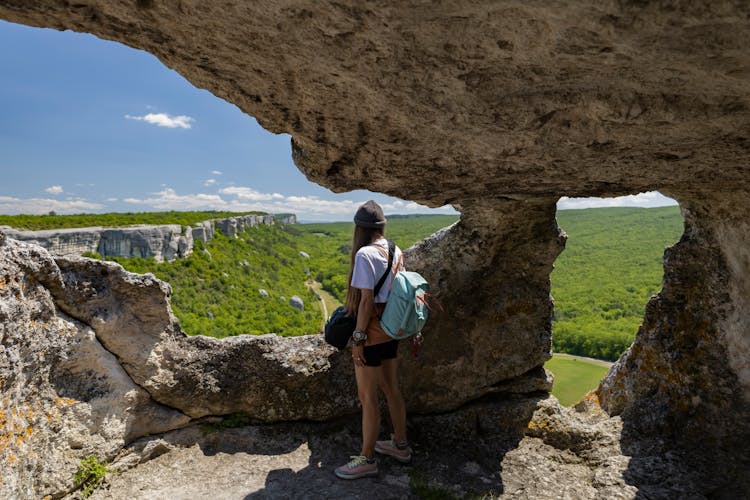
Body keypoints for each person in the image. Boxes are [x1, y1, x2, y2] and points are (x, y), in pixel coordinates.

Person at [334, 200, 413, 480]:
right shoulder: (395, 249)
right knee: (392, 389)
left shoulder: (364, 254)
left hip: (371, 332)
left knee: (367, 398)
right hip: (393, 329)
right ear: (381, 227)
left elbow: (366, 302)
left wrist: (358, 339)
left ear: (359, 229)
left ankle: (367, 458)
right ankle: (400, 445)